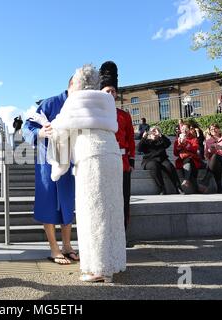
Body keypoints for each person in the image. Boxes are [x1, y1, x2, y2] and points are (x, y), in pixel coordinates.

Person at [49, 64, 126, 282]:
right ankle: (114, 262)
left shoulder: (74, 100)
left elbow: (61, 130)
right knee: (111, 210)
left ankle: (98, 269)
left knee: (92, 212)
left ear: (78, 83)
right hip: (111, 154)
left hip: (90, 156)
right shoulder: (107, 100)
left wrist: (58, 163)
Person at [22, 78, 78, 265]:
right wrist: (40, 133)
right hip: (47, 160)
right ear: (71, 85)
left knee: (68, 203)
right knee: (48, 202)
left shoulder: (81, 105)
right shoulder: (51, 103)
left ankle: (68, 246)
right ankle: (54, 248)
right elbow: (27, 126)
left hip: (70, 161)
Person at [99, 61, 135, 235]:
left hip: (122, 163)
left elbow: (130, 140)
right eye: (107, 91)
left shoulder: (124, 115)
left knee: (123, 200)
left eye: (113, 91)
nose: (111, 94)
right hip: (104, 161)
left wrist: (132, 160)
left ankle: (122, 233)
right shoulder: (96, 114)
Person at [138, 127, 184, 195]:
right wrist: (143, 138)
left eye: (155, 131)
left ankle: (178, 187)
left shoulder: (161, 140)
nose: (153, 133)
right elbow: (139, 149)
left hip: (162, 159)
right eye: (152, 131)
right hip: (149, 160)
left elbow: (168, 143)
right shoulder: (146, 141)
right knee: (154, 166)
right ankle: (162, 188)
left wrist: (160, 135)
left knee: (169, 166)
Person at [199, 123, 222, 194]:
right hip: (215, 164)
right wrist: (211, 151)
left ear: (219, 129)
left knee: (216, 157)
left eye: (215, 128)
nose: (214, 130)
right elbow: (206, 156)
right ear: (209, 131)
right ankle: (220, 188)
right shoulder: (208, 141)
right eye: (211, 129)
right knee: (215, 160)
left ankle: (205, 181)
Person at [173, 122, 202, 193]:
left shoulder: (193, 139)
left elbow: (195, 149)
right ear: (180, 130)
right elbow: (175, 153)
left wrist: (186, 144)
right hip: (182, 160)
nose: (184, 130)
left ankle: (186, 180)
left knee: (189, 160)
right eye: (183, 129)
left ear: (189, 130)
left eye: (186, 129)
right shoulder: (177, 140)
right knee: (188, 162)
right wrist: (180, 145)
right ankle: (196, 188)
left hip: (193, 159)